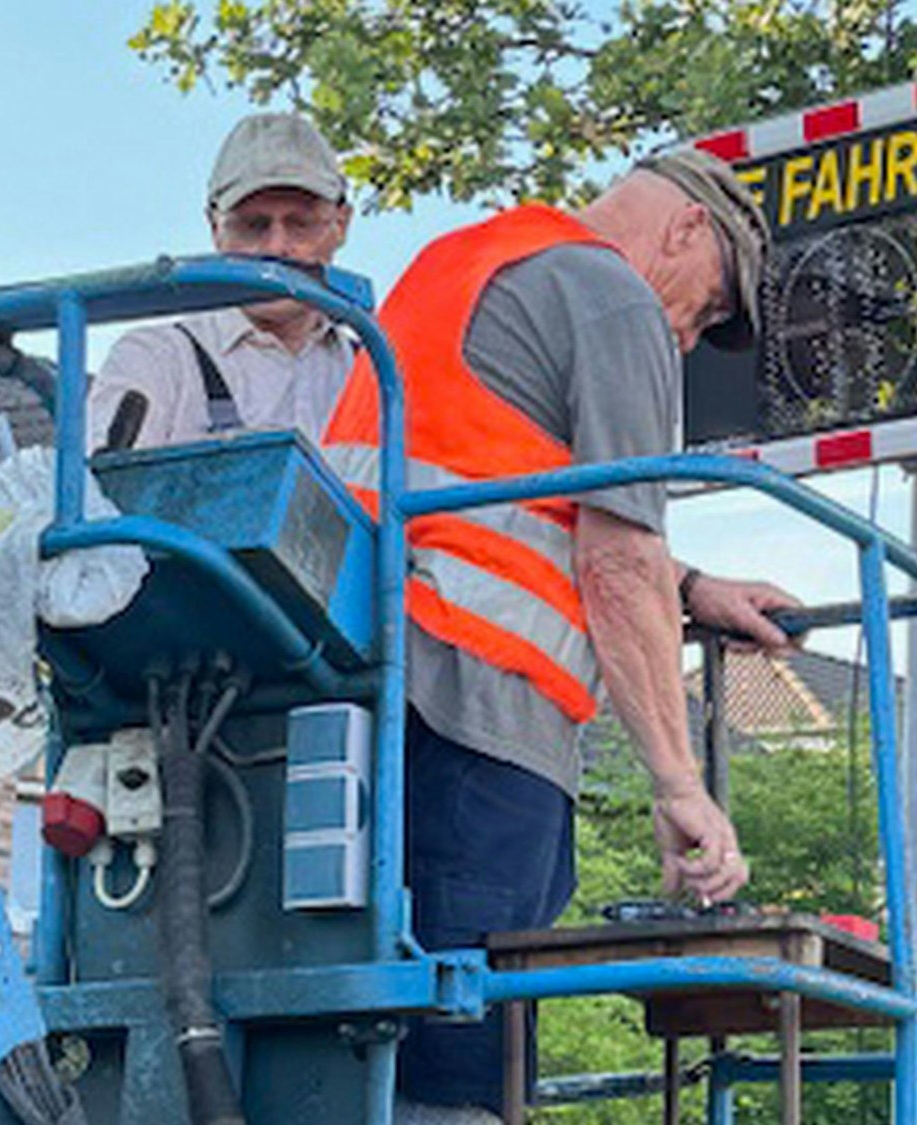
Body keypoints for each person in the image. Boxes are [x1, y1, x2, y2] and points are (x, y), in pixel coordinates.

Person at [321, 150, 796, 1122]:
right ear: (685, 232)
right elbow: (613, 559)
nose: (686, 336)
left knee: (355, 1047)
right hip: (474, 711)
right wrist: (677, 783)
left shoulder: (464, 263)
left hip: (356, 689)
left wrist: (692, 587)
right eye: (706, 314)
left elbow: (482, 490)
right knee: (461, 1059)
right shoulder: (614, 298)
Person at [86, 112, 355, 452]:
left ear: (341, 224)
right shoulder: (157, 362)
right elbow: (100, 500)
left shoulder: (377, 377)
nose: (276, 247)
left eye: (300, 223)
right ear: (215, 228)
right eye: (253, 225)